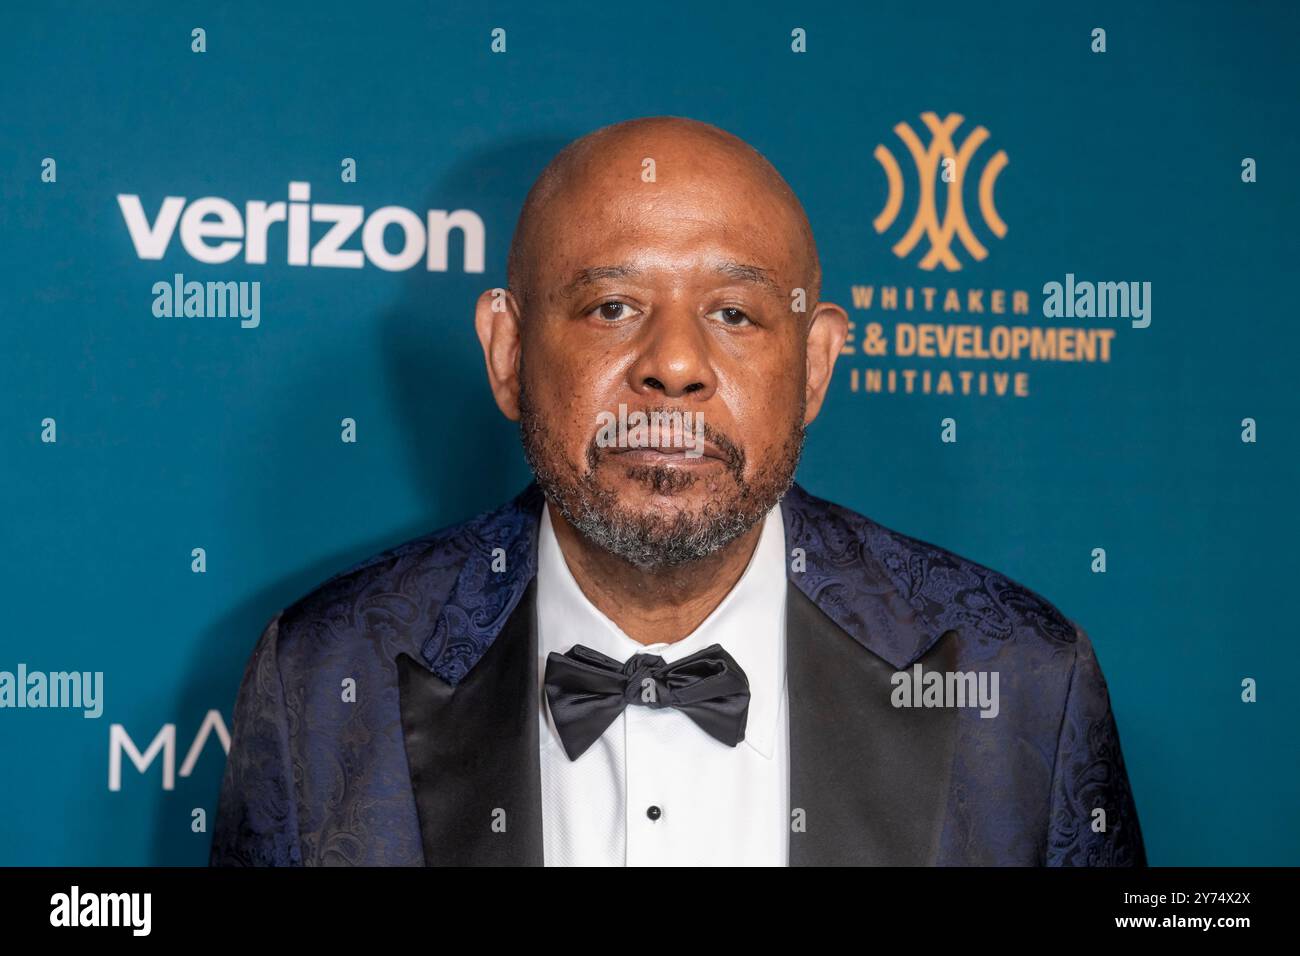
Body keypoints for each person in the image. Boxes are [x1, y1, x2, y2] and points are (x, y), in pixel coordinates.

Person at [210, 116, 1145, 866]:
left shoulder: (1022, 683)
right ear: (508, 353)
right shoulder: (322, 680)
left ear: (814, 367)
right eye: (613, 307)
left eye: (733, 314)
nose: (674, 365)